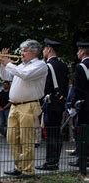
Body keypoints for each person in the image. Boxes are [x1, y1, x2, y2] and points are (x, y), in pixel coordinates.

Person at [0, 39, 47, 178]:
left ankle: (27, 170)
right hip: (14, 105)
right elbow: (6, 76)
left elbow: (25, 75)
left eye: (25, 50)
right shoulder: (20, 65)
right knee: (12, 138)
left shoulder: (40, 65)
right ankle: (18, 166)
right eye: (21, 50)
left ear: (34, 52)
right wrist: (2, 64)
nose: (21, 53)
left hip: (29, 105)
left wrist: (8, 63)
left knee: (26, 139)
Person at [35, 38, 69, 171]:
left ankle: (50, 162)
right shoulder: (63, 65)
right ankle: (54, 160)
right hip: (60, 103)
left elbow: (46, 86)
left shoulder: (47, 66)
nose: (43, 51)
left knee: (50, 133)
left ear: (49, 49)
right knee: (56, 133)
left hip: (51, 103)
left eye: (44, 48)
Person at [69, 41, 89, 168]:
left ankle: (82, 159)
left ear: (82, 51)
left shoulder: (81, 67)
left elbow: (78, 89)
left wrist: (72, 105)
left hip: (85, 105)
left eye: (78, 50)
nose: (77, 52)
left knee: (82, 132)